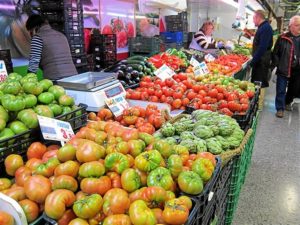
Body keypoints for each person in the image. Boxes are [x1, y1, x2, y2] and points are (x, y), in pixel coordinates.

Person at [26, 14, 77, 81]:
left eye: (31, 31)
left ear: (35, 28)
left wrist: (28, 80)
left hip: (56, 78)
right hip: (74, 76)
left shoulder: (37, 38)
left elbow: (34, 62)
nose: (31, 35)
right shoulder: (61, 35)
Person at [272, 15, 300, 118]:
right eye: (297, 25)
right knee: (281, 89)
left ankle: (288, 102)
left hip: (297, 69)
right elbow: (275, 53)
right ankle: (280, 108)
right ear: (291, 26)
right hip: (284, 67)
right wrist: (277, 65)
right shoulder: (283, 38)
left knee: (294, 88)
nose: (299, 27)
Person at [250, 10, 273, 88]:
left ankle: (260, 100)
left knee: (259, 85)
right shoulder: (263, 27)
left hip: (261, 62)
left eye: (253, 18)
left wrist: (253, 61)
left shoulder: (265, 28)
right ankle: (258, 99)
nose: (253, 21)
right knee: (257, 84)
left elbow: (262, 47)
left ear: (257, 17)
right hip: (260, 61)